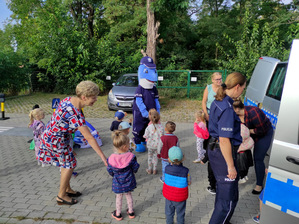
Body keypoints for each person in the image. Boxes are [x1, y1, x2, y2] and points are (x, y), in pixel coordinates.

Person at [38, 80, 108, 205]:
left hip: (56, 137)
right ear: (83, 97)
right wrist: (103, 157)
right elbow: (90, 138)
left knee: (67, 163)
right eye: (93, 97)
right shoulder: (74, 113)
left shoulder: (68, 99)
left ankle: (67, 189)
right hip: (56, 140)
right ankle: (61, 196)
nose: (96, 99)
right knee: (69, 165)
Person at [208, 72, 247, 224]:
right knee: (228, 199)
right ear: (237, 87)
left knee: (224, 191)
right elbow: (224, 140)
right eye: (243, 88)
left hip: (215, 150)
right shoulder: (228, 109)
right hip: (223, 154)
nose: (243, 90)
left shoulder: (220, 100)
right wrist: (231, 167)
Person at [233, 99, 273, 194]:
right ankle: (242, 175)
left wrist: (249, 131)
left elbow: (262, 130)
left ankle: (259, 185)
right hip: (249, 135)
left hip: (264, 134)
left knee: (258, 158)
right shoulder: (236, 115)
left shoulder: (254, 112)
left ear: (237, 109)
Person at [107, 131, 140, 221]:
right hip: (129, 180)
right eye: (129, 144)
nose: (130, 146)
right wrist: (134, 171)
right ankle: (131, 211)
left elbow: (110, 170)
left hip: (117, 181)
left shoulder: (111, 158)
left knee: (119, 197)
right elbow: (135, 167)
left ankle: (118, 214)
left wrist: (113, 174)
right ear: (125, 146)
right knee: (128, 195)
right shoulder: (131, 156)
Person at [201, 72, 222, 194]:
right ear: (212, 80)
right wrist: (206, 114)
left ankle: (210, 154)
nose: (219, 81)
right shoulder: (208, 88)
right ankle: (208, 151)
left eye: (220, 79)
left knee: (215, 137)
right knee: (208, 136)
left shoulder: (223, 88)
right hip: (209, 114)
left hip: (219, 115)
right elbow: (204, 101)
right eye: (217, 79)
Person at [162, 146, 191, 224]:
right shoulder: (186, 171)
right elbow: (189, 182)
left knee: (169, 213)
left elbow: (164, 179)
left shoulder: (167, 168)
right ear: (183, 158)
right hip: (180, 197)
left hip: (169, 196)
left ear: (169, 159)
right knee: (180, 213)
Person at [143, 108, 164, 175]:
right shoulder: (161, 127)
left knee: (150, 157)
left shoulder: (149, 127)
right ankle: (154, 170)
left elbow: (145, 136)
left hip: (150, 145)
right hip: (158, 146)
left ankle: (149, 169)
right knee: (155, 157)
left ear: (151, 119)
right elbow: (162, 136)